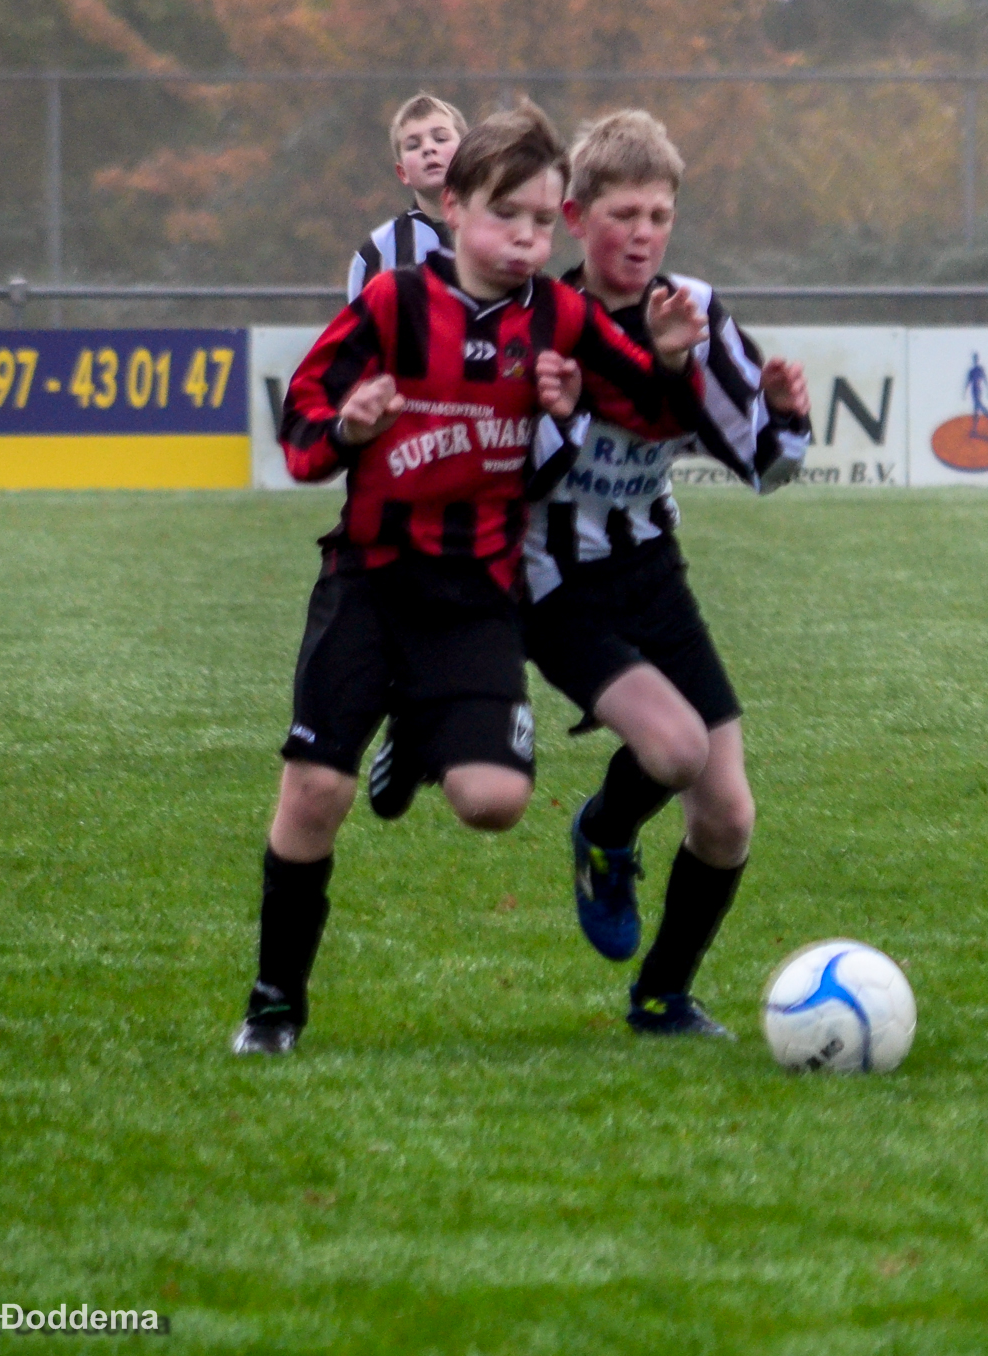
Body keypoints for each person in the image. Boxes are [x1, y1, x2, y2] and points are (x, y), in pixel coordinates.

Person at [235, 100, 708, 1056]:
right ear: (451, 208)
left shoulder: (561, 316)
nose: (527, 238)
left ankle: (418, 722)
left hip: (476, 595)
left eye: (541, 220)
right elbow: (301, 423)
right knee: (316, 791)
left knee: (493, 803)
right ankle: (274, 1004)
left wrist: (664, 363)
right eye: (505, 216)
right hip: (370, 580)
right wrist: (348, 430)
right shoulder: (391, 304)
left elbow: (648, 414)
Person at [517, 108, 811, 1037]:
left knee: (726, 816)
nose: (643, 235)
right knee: (677, 751)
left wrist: (781, 413)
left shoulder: (694, 309)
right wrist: (611, 388)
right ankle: (605, 831)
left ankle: (662, 997)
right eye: (623, 215)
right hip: (555, 588)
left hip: (651, 570)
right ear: (575, 218)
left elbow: (766, 468)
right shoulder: (540, 321)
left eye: (659, 216)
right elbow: (518, 471)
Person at [346, 93, 466, 301]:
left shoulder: (499, 232)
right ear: (402, 173)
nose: (428, 148)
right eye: (413, 145)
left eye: (440, 138)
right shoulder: (379, 250)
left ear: (468, 154)